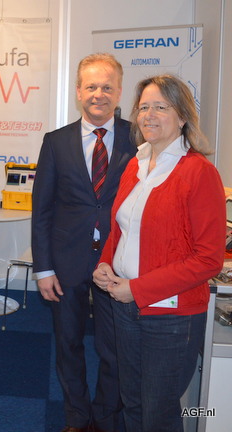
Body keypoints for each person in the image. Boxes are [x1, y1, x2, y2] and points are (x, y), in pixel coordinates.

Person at [93, 74, 226, 431]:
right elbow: (121, 228)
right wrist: (105, 263)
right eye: (144, 108)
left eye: (161, 107)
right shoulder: (135, 164)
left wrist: (137, 289)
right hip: (124, 307)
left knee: (158, 414)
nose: (149, 115)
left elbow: (208, 259)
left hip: (171, 318)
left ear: (182, 116)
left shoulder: (199, 173)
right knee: (132, 403)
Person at [32, 53, 137, 432]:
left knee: (115, 350)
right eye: (91, 86)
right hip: (66, 262)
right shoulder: (56, 142)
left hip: (118, 262)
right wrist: (43, 269)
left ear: (119, 92)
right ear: (78, 91)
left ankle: (106, 419)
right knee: (68, 344)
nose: (99, 94)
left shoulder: (138, 138)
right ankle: (77, 417)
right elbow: (42, 210)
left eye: (107, 87)